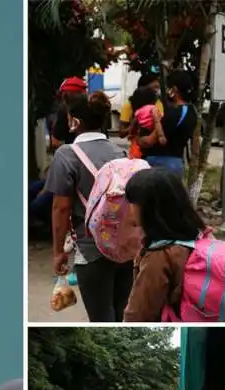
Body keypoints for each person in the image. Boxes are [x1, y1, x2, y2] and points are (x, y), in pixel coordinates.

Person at [44, 91, 131, 322]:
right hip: (125, 247)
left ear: (75, 121)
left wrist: (58, 253)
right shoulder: (120, 152)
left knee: (101, 316)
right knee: (122, 313)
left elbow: (60, 209)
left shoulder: (66, 155)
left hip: (90, 249)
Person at [122, 168, 205, 321]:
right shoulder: (199, 235)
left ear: (149, 208)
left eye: (132, 202)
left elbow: (140, 313)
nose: (128, 209)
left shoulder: (159, 256)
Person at [139, 70, 198, 173]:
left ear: (174, 89)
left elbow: (149, 141)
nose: (166, 90)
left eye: (168, 87)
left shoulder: (174, 114)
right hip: (176, 164)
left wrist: (138, 138)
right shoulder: (192, 112)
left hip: (159, 165)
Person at [119, 73, 163, 138]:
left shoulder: (159, 103)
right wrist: (133, 127)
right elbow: (121, 134)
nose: (157, 91)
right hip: (138, 146)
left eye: (158, 88)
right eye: (155, 87)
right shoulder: (128, 105)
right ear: (142, 88)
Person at [48, 77, 87, 150]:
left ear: (64, 94)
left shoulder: (63, 110)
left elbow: (56, 142)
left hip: (73, 154)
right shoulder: (95, 107)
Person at [127, 87, 166, 159]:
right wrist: (161, 135)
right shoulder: (153, 108)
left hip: (143, 133)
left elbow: (133, 124)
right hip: (152, 131)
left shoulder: (138, 111)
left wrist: (130, 133)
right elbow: (157, 122)